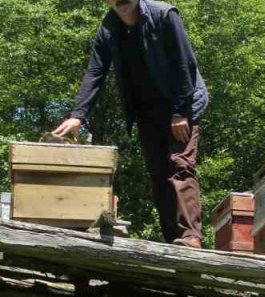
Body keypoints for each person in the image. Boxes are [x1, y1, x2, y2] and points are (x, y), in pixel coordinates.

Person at [51, 0, 208, 248]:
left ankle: (191, 237)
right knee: (158, 173)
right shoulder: (108, 27)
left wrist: (179, 113)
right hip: (147, 111)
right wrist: (78, 115)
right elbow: (96, 71)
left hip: (182, 103)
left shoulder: (165, 15)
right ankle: (173, 241)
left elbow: (184, 65)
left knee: (179, 164)